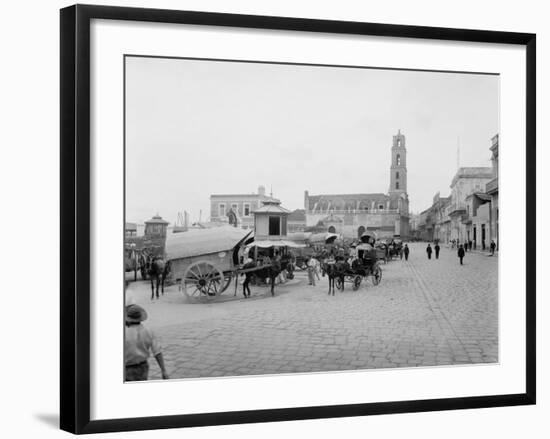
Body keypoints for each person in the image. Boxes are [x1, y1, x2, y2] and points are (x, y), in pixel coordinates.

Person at [125, 304, 169, 381]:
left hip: (127, 368)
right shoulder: (148, 331)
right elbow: (157, 352)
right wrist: (163, 370)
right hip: (143, 367)